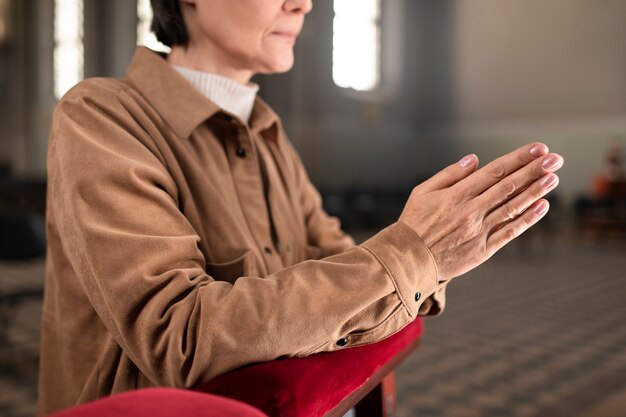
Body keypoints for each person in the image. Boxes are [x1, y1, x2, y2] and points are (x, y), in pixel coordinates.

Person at [38, 0, 564, 414]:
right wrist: (415, 254)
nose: (303, 4)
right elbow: (179, 338)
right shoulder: (100, 116)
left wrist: (435, 254)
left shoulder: (268, 134)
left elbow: (346, 265)